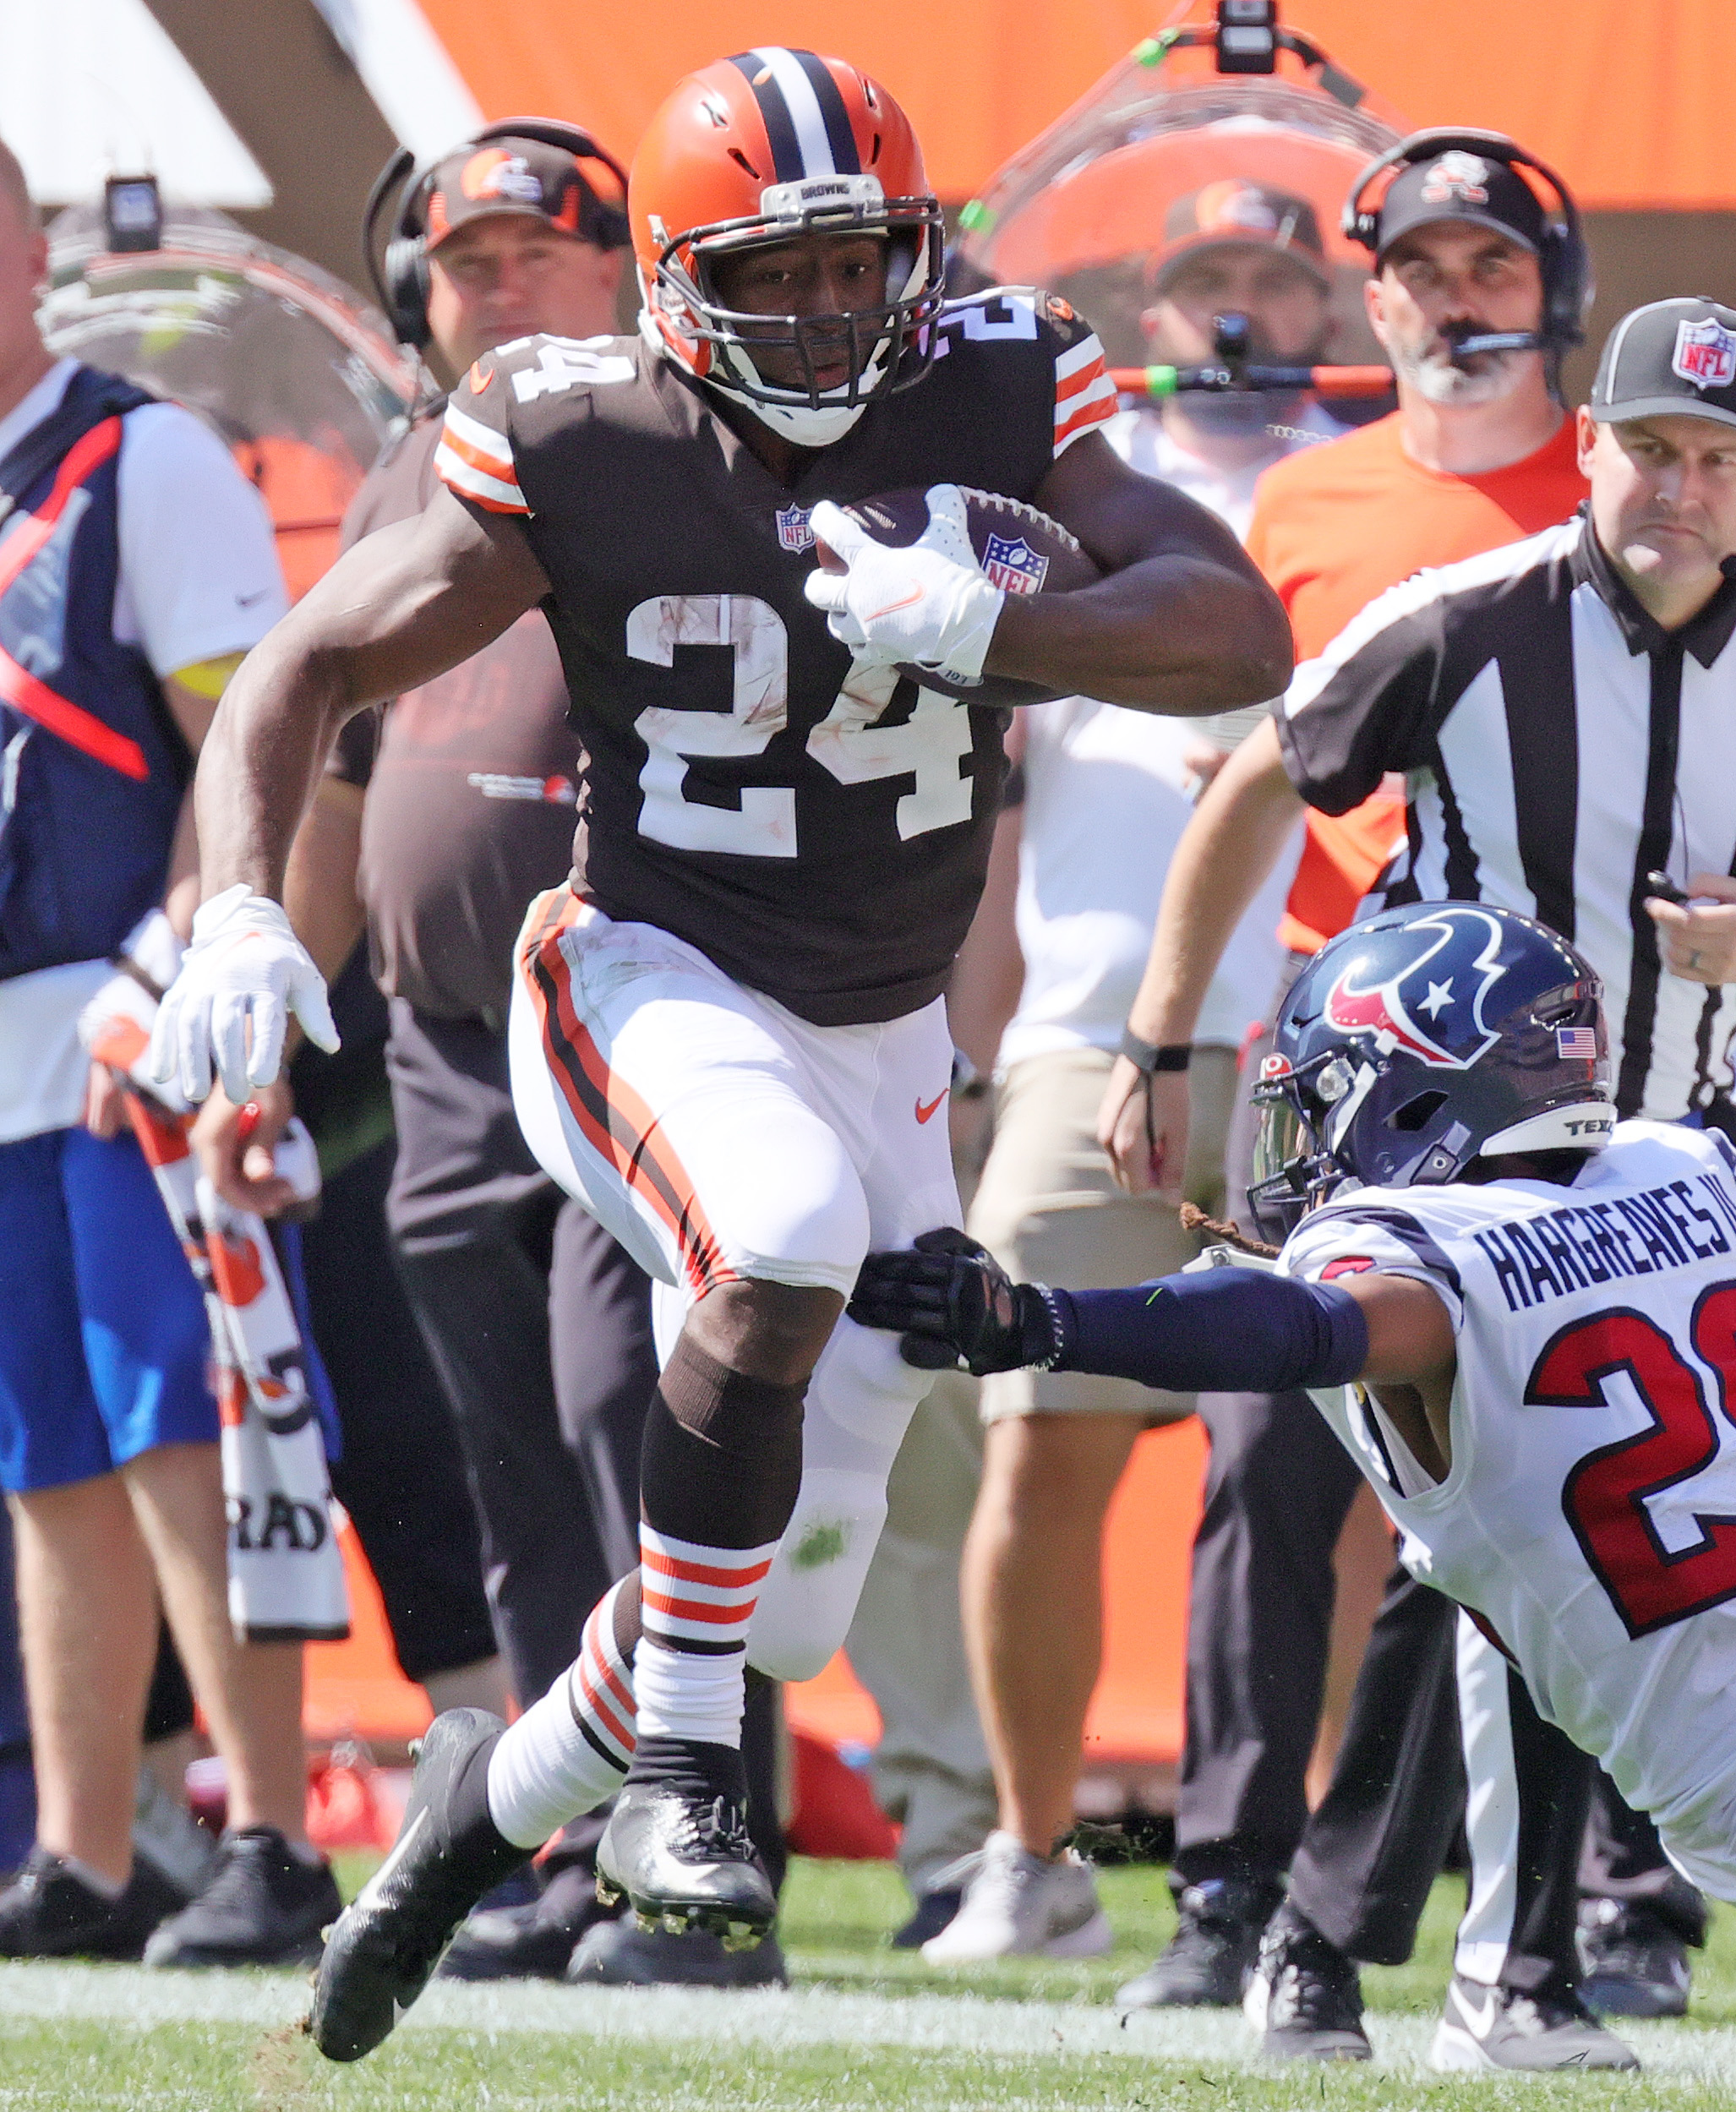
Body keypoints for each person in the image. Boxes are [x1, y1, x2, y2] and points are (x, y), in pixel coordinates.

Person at [139, 46, 1286, 2061]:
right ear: (673, 280)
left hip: (887, 1025)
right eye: (783, 275)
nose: (836, 316)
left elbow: (1233, 628)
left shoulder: (1003, 378)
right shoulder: (577, 425)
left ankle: (468, 1829)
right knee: (772, 1236)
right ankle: (685, 1785)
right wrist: (241, 901)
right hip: (650, 968)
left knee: (767, 1600)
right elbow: (311, 660)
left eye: (863, 268)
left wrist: (1000, 626)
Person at [853, 898, 1736, 2111]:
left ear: (1415, 1099)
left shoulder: (1419, 1262)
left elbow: (1291, 1334)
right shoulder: (1676, 1181)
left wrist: (1041, 1321)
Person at [1108, 296, 1736, 2065]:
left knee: (1519, 1555)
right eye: (1650, 446)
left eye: (1719, 456)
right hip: (1434, 1151)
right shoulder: (1465, 620)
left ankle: (1363, 1943)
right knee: (1385, 1510)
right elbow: (1267, 774)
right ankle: (1359, 1928)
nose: (1679, 485)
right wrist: (1160, 1039)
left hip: (1656, 1170)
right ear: (1587, 447)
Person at [1096, 130, 1595, 2036]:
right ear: (1371, 289)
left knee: (1544, 1469)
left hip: (1573, 1049)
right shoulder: (1302, 499)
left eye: (1492, 264)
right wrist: (1164, 1033)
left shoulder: (1628, 486)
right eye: (1424, 266)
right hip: (1351, 1041)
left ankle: (1561, 1900)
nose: (1457, 299)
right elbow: (1248, 786)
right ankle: (1223, 1885)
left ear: (1551, 285)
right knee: (1266, 1453)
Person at [261, 120, 768, 1990]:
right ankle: (557, 1857)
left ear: (625, 270)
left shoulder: (650, 445)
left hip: (623, 1012)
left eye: (529, 254)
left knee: (629, 1428)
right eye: (462, 260)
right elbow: (333, 763)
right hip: (440, 1040)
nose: (486, 285)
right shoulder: (415, 455)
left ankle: (699, 1868)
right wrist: (277, 1018)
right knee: (506, 1463)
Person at [924, 179, 1330, 1966]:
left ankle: (1309, 1851)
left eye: (1269, 275)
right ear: (1147, 310)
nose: (1237, 310)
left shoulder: (1361, 487)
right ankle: (1033, 1853)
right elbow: (997, 813)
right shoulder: (1063, 503)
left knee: (1324, 1475)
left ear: (1328, 305)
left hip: (1332, 1041)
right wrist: (976, 1051)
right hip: (1087, 1032)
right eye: (1202, 279)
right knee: (1038, 1445)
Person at [0, 135, 341, 1964]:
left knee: (186, 1422)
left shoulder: (142, 456)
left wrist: (189, 969)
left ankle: (273, 1829)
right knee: (43, 1441)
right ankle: (84, 1844)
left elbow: (246, 749)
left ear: (28, 248)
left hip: (126, 1016)